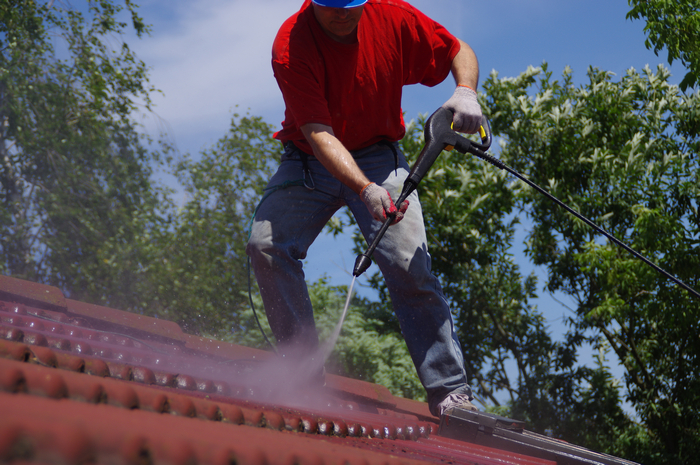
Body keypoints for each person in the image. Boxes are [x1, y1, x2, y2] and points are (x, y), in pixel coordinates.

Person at [246, 0, 483, 417]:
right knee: (266, 244)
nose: (341, 13)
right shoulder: (291, 44)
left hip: (379, 153)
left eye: (349, 5)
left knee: (410, 262)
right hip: (309, 159)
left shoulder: (393, 17)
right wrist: (364, 189)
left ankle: (450, 392)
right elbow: (318, 133)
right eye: (330, 5)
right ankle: (300, 378)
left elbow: (457, 49)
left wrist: (465, 90)